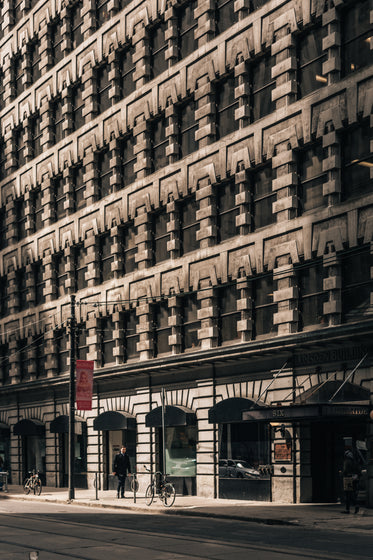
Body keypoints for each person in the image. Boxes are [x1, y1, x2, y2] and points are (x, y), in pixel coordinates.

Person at [341, 449, 360, 514]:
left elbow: (345, 470)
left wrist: (343, 474)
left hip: (348, 478)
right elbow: (358, 471)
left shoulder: (347, 461)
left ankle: (348, 509)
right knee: (353, 493)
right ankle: (356, 505)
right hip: (354, 478)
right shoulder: (354, 461)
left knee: (347, 494)